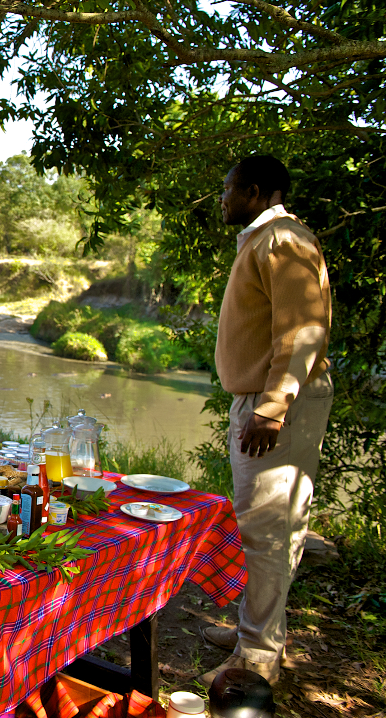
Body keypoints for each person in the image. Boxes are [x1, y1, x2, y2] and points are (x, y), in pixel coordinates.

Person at [200, 155, 334, 687]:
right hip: (261, 399)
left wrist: (272, 407)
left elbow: (302, 331)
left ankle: (255, 658)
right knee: (263, 523)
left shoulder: (283, 240)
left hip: (275, 404)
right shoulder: (264, 240)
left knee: (268, 529)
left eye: (228, 188)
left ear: (254, 190)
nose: (223, 198)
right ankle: (253, 634)